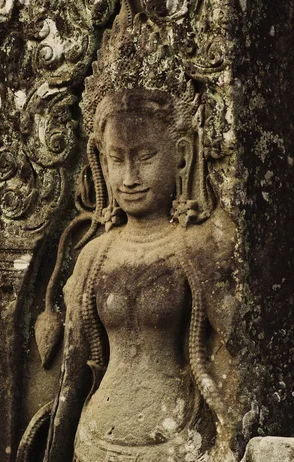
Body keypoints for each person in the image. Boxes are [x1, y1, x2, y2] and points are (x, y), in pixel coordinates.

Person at [44, 88, 241, 462]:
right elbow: (72, 374)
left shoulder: (195, 247)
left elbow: (237, 345)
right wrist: (54, 450)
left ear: (181, 157)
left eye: (146, 157)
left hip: (176, 439)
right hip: (95, 437)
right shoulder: (94, 256)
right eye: (117, 160)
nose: (130, 177)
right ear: (102, 163)